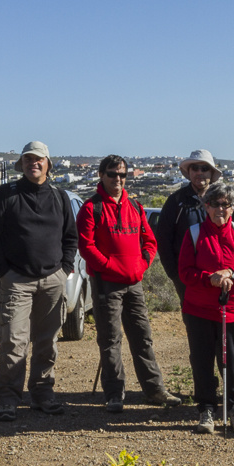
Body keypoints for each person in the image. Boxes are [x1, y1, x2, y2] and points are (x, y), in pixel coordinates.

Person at [76, 155, 181, 413]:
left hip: (133, 283)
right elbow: (86, 247)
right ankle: (114, 394)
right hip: (106, 284)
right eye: (113, 174)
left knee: (142, 337)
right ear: (101, 175)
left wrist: (140, 265)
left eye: (122, 174)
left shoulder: (134, 207)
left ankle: (154, 390)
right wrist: (111, 268)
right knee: (110, 340)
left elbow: (149, 241)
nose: (118, 179)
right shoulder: (91, 208)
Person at [0, 141, 78, 421]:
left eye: (38, 159)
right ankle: (7, 399)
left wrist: (65, 269)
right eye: (28, 159)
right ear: (21, 164)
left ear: (48, 164)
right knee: (13, 341)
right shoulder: (5, 195)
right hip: (16, 280)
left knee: (47, 341)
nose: (33, 163)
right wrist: (3, 270)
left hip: (52, 280)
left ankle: (42, 394)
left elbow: (70, 237)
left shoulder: (60, 197)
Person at [179, 182, 234, 434]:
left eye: (226, 204)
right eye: (215, 204)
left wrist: (231, 274)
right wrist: (209, 278)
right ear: (206, 206)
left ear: (233, 207)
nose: (220, 209)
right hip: (199, 310)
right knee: (202, 361)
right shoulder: (193, 233)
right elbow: (185, 272)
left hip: (233, 310)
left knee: (233, 362)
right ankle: (206, 409)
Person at [156, 150, 234, 302]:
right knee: (194, 322)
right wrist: (175, 274)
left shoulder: (226, 199)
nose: (199, 172)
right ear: (189, 172)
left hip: (226, 277)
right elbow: (163, 239)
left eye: (204, 169)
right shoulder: (176, 201)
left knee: (226, 320)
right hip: (190, 279)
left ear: (211, 172)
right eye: (195, 168)